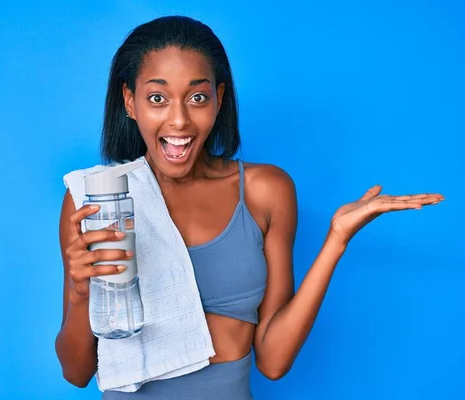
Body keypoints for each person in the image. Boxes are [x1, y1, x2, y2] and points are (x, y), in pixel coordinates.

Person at [55, 15, 443, 399]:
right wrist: (79, 292)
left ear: (218, 99)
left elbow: (273, 362)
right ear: (130, 102)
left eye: (197, 98)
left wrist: (336, 240)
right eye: (158, 98)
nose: (178, 119)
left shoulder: (265, 191)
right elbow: (77, 372)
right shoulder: (95, 200)